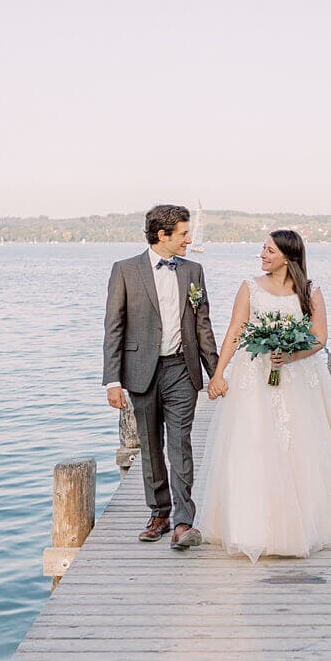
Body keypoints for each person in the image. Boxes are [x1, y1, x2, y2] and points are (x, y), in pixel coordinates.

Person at [186, 229, 331, 561]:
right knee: (252, 443)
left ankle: (303, 524)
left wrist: (291, 355)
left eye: (270, 251)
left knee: (299, 446)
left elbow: (319, 337)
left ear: (288, 258)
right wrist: (218, 373)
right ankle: (251, 527)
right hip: (254, 378)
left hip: (298, 377)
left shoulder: (310, 290)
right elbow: (235, 331)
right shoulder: (249, 286)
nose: (263, 255)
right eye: (263, 248)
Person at [103, 204, 219, 549]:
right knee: (151, 446)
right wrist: (112, 381)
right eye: (183, 234)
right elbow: (114, 327)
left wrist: (215, 373)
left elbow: (203, 326)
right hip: (141, 372)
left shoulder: (194, 271)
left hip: (183, 370)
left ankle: (184, 522)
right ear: (162, 235)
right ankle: (159, 514)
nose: (189, 240)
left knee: (181, 444)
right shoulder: (125, 270)